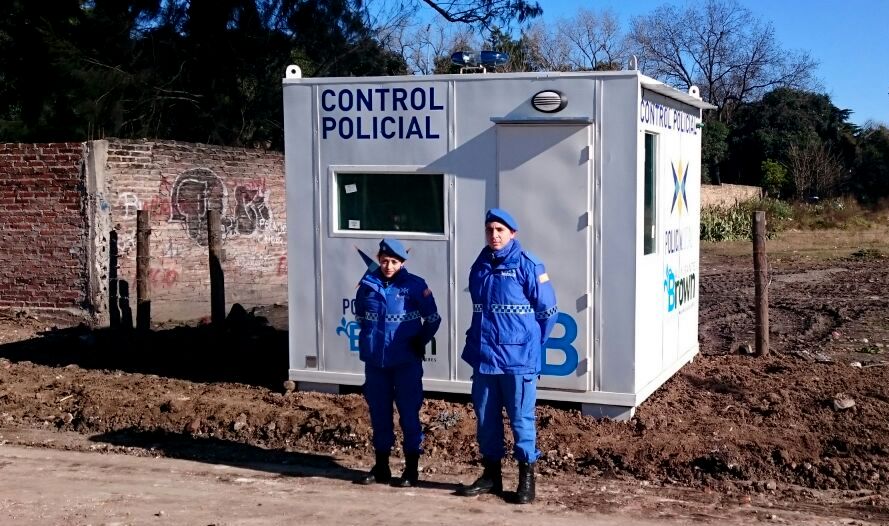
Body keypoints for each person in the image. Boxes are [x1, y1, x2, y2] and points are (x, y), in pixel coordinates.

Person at [457, 208, 558, 504]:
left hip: (518, 361)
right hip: (485, 357)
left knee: (521, 420)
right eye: (490, 229)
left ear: (513, 233)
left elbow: (548, 313)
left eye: (500, 230)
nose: (494, 235)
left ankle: (527, 478)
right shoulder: (480, 264)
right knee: (486, 419)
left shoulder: (528, 265)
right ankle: (492, 476)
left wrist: (529, 345)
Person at [355, 238, 441, 487]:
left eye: (393, 262)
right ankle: (381, 466)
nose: (388, 266)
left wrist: (419, 341)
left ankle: (411, 469)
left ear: (402, 262)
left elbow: (433, 319)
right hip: (376, 364)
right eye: (384, 261)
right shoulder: (367, 285)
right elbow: (361, 316)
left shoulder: (415, 286)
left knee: (409, 415)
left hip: (406, 363)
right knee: (379, 415)